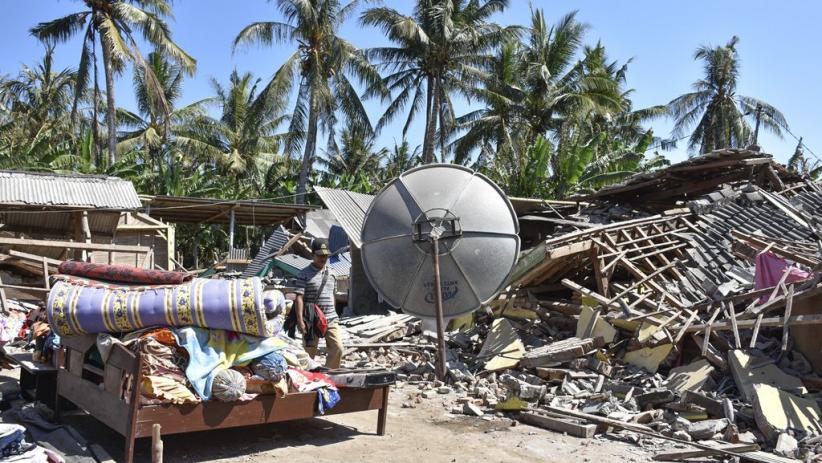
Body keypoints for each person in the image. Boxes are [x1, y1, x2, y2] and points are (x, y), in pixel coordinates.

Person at [294, 239, 343, 369]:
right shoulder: (304, 273)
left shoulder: (332, 273)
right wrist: (300, 320)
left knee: (337, 348)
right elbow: (299, 297)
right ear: (312, 255)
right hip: (311, 319)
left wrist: (335, 312)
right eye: (320, 255)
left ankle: (329, 374)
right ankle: (307, 378)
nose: (323, 258)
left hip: (330, 319)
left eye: (325, 255)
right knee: (309, 354)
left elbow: (332, 295)